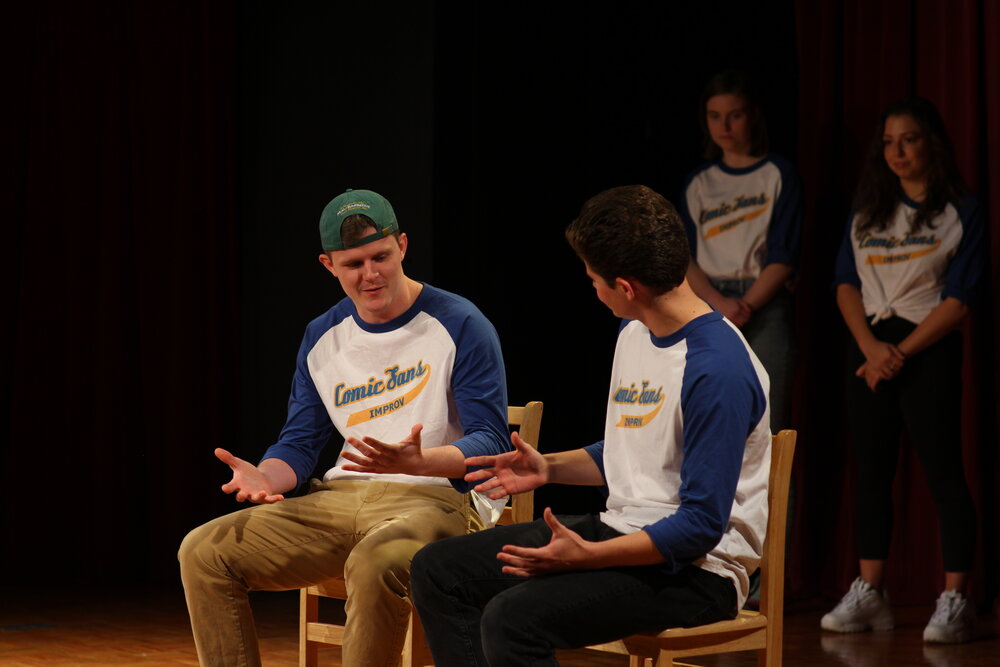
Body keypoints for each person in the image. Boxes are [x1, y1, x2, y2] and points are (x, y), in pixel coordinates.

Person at [398, 185, 771, 666]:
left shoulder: (716, 370)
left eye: (594, 278)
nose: (592, 288)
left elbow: (700, 527)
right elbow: (631, 450)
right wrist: (547, 467)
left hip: (699, 572)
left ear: (626, 287)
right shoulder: (636, 329)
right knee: (437, 570)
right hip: (623, 531)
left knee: (513, 619)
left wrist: (586, 557)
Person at [178, 188, 510, 667]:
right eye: (353, 264)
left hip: (440, 499)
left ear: (403, 246)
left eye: (381, 256)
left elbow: (492, 441)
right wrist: (267, 477)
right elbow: (300, 441)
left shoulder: (460, 322)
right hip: (341, 500)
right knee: (203, 551)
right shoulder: (322, 336)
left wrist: (421, 461)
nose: (371, 274)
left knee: (375, 562)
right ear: (328, 265)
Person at [824, 97, 985, 644]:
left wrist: (900, 353)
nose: (897, 151)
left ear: (931, 143)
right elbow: (845, 281)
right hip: (869, 349)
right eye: (888, 142)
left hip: (927, 346)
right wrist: (871, 347)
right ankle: (872, 595)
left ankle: (955, 597)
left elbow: (960, 299)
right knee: (871, 474)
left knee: (943, 472)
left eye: (909, 140)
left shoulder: (960, 210)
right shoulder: (868, 210)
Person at [678, 69, 802, 432]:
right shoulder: (699, 182)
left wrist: (744, 305)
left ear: (753, 117)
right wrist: (719, 302)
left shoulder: (778, 174)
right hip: (708, 304)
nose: (724, 126)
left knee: (770, 423)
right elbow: (685, 256)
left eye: (734, 115)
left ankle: (778, 492)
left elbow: (784, 255)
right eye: (714, 117)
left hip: (764, 306)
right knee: (706, 416)